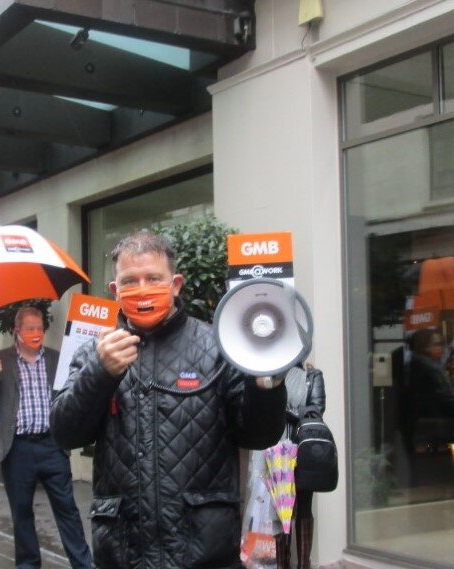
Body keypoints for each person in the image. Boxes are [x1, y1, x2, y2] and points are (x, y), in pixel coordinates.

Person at [50, 230, 287, 569]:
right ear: (115, 291)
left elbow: (258, 435)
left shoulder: (218, 347)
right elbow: (64, 433)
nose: (143, 289)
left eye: (154, 279)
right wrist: (100, 373)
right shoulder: (94, 352)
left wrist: (267, 388)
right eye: (130, 281)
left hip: (205, 553)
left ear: (175, 284)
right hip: (124, 552)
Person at [0, 306, 92, 569]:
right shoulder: (1, 360)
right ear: (17, 331)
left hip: (52, 445)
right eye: (30, 328)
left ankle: (83, 563)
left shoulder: (56, 359)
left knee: (68, 509)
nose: (35, 333)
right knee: (21, 513)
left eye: (39, 328)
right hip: (17, 448)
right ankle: (28, 564)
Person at [278, 363, 325, 569]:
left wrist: (287, 411)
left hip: (304, 448)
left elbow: (316, 409)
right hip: (277, 450)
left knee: (304, 505)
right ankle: (282, 563)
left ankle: (304, 563)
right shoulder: (272, 371)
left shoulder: (312, 375)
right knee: (281, 509)